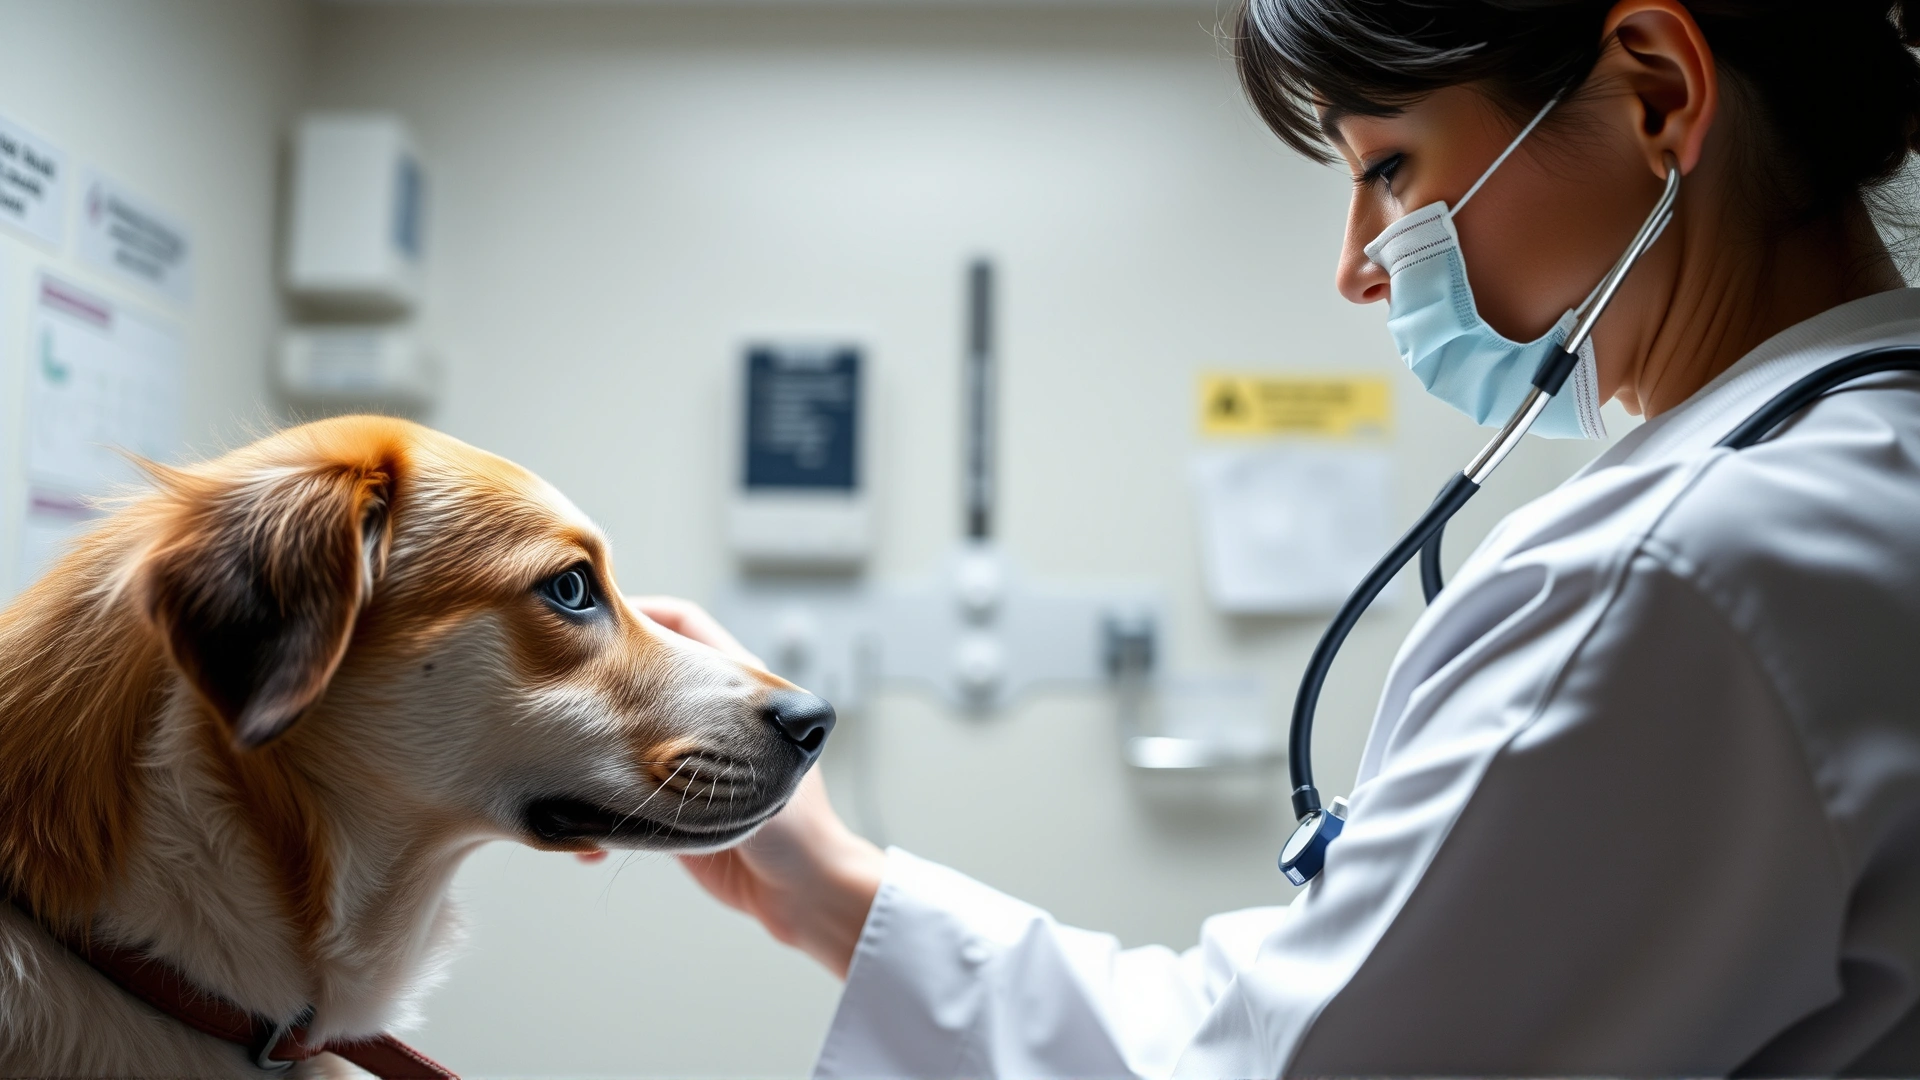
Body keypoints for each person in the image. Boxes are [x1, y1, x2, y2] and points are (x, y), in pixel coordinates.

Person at [634, 1, 1920, 1073]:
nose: (1359, 267)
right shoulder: (1852, 488)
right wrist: (828, 885)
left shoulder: (1683, 575)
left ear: (1654, 93)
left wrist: (834, 895)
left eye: (1385, 169)